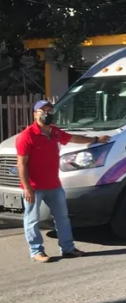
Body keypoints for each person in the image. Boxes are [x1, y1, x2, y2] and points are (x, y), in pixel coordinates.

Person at [16, 101, 111, 262]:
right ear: (35, 114)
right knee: (32, 219)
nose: (46, 113)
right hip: (34, 187)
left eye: (49, 110)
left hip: (54, 185)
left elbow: (73, 137)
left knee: (62, 217)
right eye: (42, 111)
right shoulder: (26, 136)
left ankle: (68, 248)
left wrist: (95, 139)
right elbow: (21, 164)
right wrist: (27, 188)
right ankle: (36, 251)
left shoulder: (54, 132)